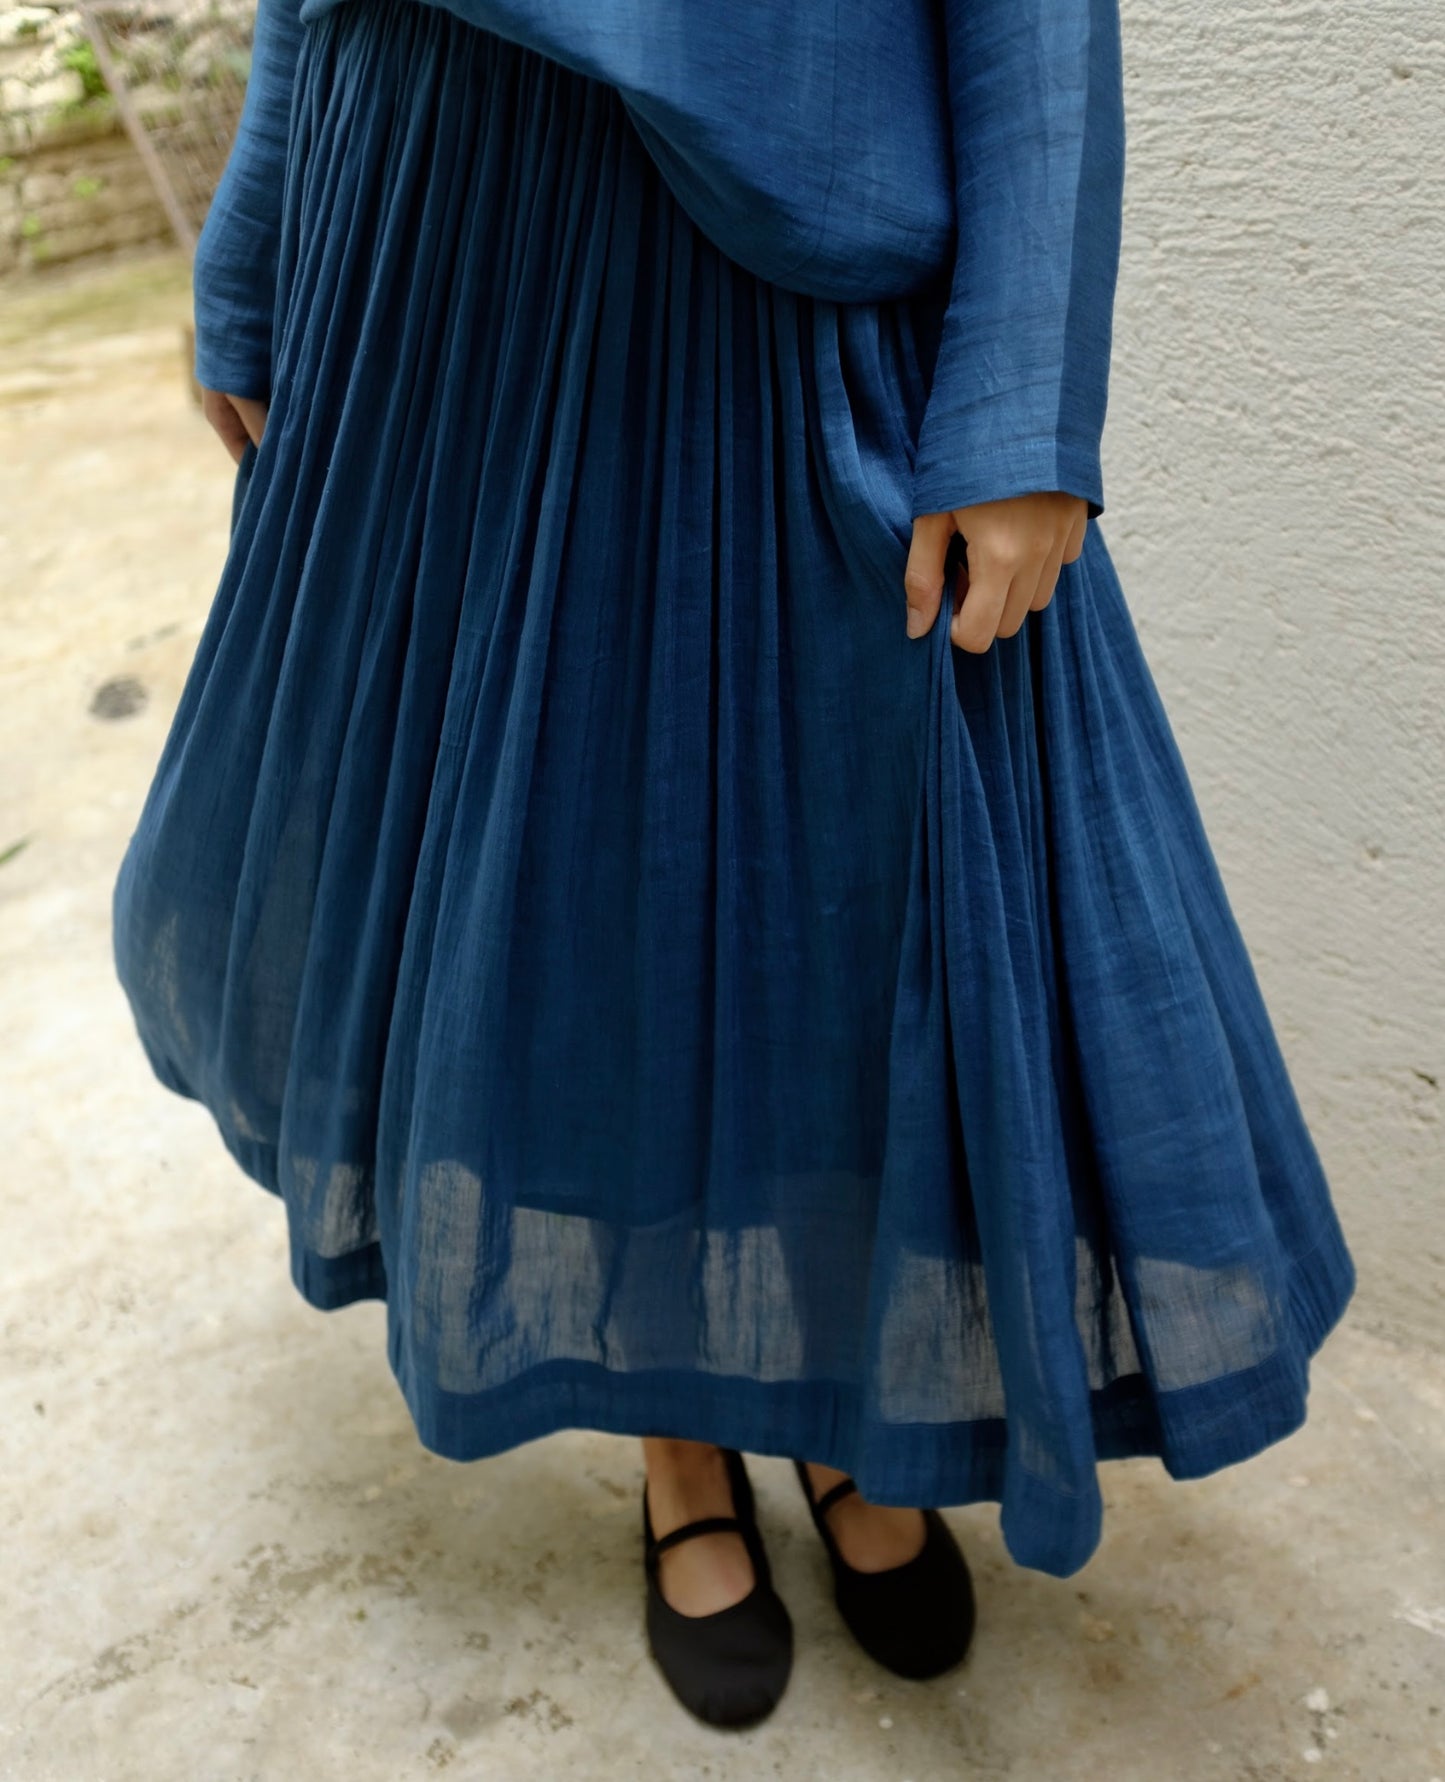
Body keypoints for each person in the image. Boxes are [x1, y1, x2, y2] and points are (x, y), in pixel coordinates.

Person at [111, 0, 1357, 1733]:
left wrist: (1022, 389)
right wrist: (256, 229)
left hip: (781, 240)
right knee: (567, 900)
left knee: (839, 898)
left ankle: (837, 1400)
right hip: (441, 225)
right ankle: (677, 1441)